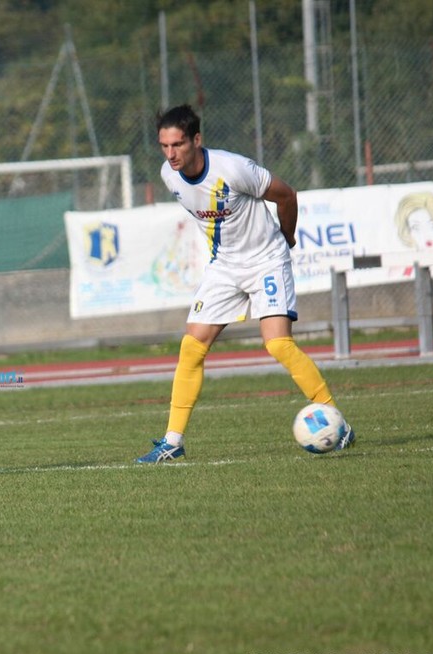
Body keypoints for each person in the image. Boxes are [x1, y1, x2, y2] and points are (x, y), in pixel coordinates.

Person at [137, 104, 353, 463]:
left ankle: (338, 423)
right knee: (192, 347)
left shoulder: (233, 168)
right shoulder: (169, 176)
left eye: (178, 144)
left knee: (278, 344)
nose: (170, 154)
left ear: (196, 140)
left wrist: (286, 238)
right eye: (164, 146)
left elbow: (287, 195)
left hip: (266, 260)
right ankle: (173, 441)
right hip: (224, 267)